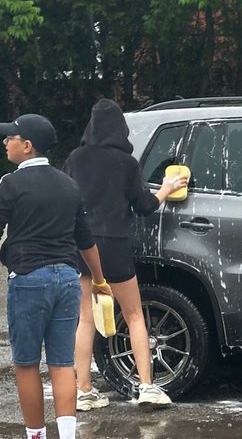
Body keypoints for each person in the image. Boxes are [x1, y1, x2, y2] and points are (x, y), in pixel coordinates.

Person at [0, 112, 111, 439]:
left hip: (29, 279)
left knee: (26, 363)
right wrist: (101, 280)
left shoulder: (10, 184)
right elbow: (85, 239)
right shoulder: (68, 185)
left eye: (11, 137)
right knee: (62, 363)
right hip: (67, 279)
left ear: (27, 146)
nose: (5, 142)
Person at [64, 99, 187, 408]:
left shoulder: (76, 159)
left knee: (85, 320)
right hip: (116, 245)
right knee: (133, 315)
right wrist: (167, 188)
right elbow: (144, 206)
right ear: (121, 128)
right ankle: (147, 387)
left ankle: (83, 391)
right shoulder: (126, 163)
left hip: (82, 245)